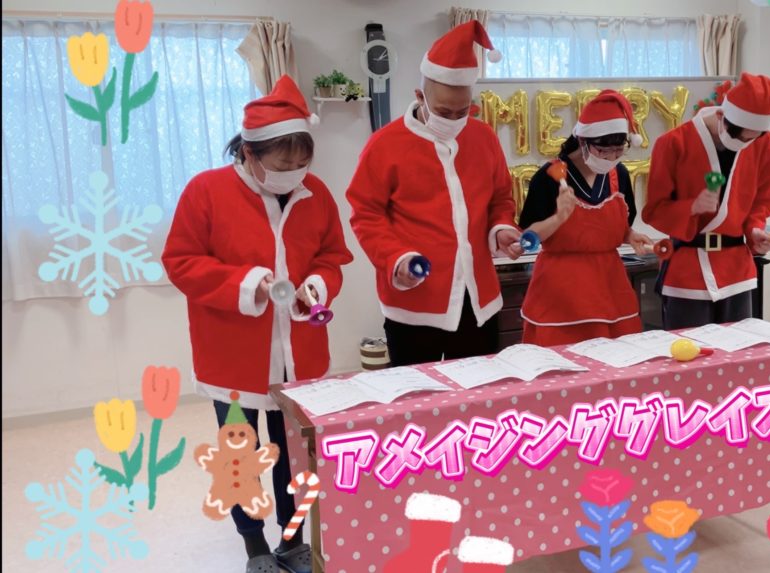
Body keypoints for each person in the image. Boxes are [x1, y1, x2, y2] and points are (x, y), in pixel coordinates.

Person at [162, 74, 352, 573]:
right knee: (239, 456)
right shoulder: (206, 191)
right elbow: (181, 262)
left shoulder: (316, 194)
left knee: (294, 455)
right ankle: (254, 546)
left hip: (300, 354)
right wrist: (250, 284)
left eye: (302, 164)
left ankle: (292, 540)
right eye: (282, 165)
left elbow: (332, 256)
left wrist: (318, 285)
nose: (294, 175)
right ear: (249, 152)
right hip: (232, 359)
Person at [347, 20, 522, 366]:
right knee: (415, 395)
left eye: (463, 111)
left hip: (479, 301)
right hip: (415, 301)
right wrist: (395, 258)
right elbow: (366, 214)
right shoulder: (384, 145)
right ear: (420, 97)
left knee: (478, 392)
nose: (453, 119)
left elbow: (501, 198)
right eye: (443, 111)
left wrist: (501, 228)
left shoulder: (484, 138)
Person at [643, 72, 770, 329]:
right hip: (687, 272)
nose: (745, 143)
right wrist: (691, 207)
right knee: (687, 349)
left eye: (753, 137)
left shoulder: (765, 144)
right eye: (740, 137)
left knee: (738, 349)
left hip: (736, 271)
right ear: (720, 116)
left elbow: (763, 200)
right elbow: (654, 211)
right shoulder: (673, 143)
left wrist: (755, 230)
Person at [518, 90, 653, 346]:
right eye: (603, 150)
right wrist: (559, 217)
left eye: (619, 150)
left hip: (609, 284)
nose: (611, 158)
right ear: (583, 141)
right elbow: (527, 239)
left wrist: (630, 236)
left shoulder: (619, 175)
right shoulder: (550, 177)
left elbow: (616, 226)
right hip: (561, 288)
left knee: (617, 359)